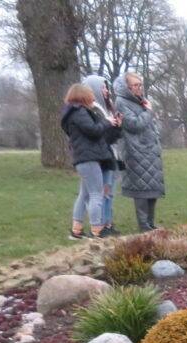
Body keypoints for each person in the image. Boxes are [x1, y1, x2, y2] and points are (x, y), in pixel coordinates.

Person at [60, 82, 121, 239]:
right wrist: (107, 122)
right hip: (89, 158)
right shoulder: (79, 112)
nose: (93, 98)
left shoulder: (73, 113)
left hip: (84, 158)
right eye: (90, 95)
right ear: (83, 96)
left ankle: (77, 230)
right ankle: (96, 230)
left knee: (84, 195)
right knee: (96, 194)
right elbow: (93, 131)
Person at [113, 72, 164, 232]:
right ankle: (143, 225)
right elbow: (134, 124)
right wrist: (148, 112)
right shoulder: (121, 102)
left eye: (140, 84)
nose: (139, 88)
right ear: (127, 87)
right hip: (135, 151)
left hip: (150, 151)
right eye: (135, 85)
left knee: (152, 188)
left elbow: (149, 125)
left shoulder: (141, 101)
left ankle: (150, 223)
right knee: (141, 189)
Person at [80, 75, 120, 235]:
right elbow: (100, 134)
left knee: (109, 193)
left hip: (110, 154)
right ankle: (99, 226)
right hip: (101, 156)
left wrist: (118, 127)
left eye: (106, 87)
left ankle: (108, 224)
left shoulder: (107, 108)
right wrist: (110, 125)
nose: (106, 91)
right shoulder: (94, 110)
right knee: (101, 193)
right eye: (103, 87)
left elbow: (113, 135)